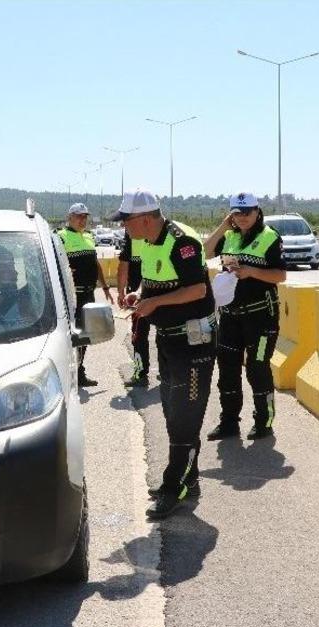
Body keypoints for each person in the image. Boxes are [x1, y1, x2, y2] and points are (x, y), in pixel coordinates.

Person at [113, 189, 216, 520]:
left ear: (144, 219)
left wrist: (154, 303)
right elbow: (156, 283)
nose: (124, 228)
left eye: (126, 221)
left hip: (194, 341)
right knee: (174, 413)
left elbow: (198, 289)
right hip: (168, 339)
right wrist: (138, 295)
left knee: (184, 416)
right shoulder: (147, 243)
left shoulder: (182, 241)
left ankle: (174, 486)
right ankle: (190, 478)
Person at [202, 192, 287, 440]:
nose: (242, 218)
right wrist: (222, 226)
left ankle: (264, 421)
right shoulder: (228, 236)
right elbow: (206, 252)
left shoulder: (270, 237)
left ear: (257, 211)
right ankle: (229, 422)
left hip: (261, 317)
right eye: (236, 213)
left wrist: (251, 272)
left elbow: (280, 276)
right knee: (227, 370)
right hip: (230, 316)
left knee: (257, 368)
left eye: (247, 212)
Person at [56, 203, 114, 387]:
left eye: (85, 216)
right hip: (72, 296)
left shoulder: (89, 236)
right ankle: (68, 373)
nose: (83, 220)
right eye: (79, 216)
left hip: (89, 293)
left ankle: (79, 372)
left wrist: (105, 287)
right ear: (69, 217)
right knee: (71, 335)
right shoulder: (61, 237)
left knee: (86, 334)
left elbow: (95, 264)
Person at [117, 229, 152, 388]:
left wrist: (121, 292)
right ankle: (168, 373)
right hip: (157, 291)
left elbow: (124, 266)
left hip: (140, 294)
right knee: (165, 333)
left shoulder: (132, 234)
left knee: (139, 335)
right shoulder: (163, 231)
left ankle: (141, 374)